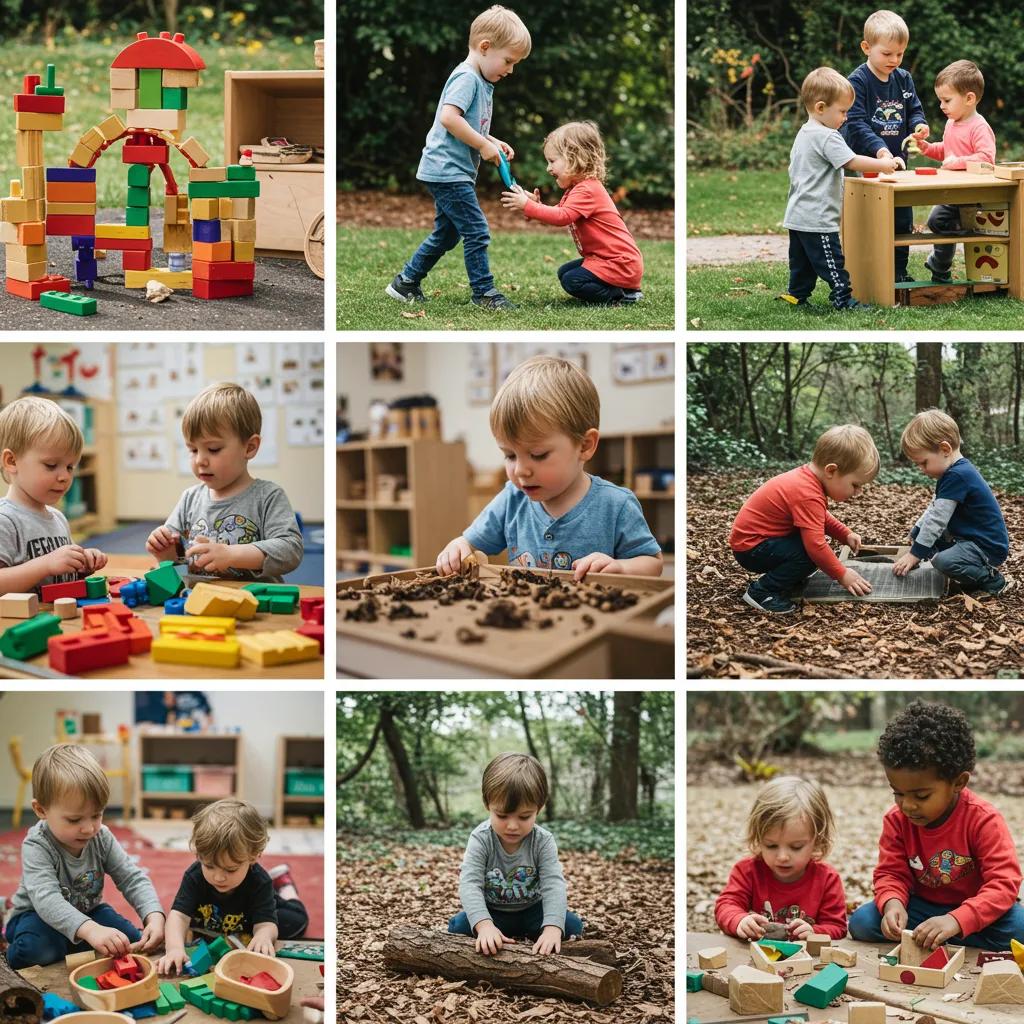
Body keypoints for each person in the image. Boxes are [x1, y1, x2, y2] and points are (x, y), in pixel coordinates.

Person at [435, 356, 662, 580]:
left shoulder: (617, 504)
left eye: (538, 455)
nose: (521, 470)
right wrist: (458, 547)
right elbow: (469, 542)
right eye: (510, 455)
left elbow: (652, 563)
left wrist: (620, 567)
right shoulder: (512, 499)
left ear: (585, 446)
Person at [385, 5, 531, 311]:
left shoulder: (480, 81)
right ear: (485, 47)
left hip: (451, 170)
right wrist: (481, 145)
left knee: (447, 234)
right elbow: (449, 119)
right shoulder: (467, 78)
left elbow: (468, 123)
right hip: (447, 170)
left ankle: (405, 282)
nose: (511, 70)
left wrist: (491, 140)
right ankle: (484, 292)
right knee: (477, 231)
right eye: (508, 61)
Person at [848, 701, 1024, 950]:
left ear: (958, 782)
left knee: (1020, 929)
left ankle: (948, 934)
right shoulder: (896, 820)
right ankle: (935, 935)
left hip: (976, 909)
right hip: (922, 908)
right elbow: (891, 873)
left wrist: (956, 920)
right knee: (863, 922)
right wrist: (893, 904)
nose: (907, 805)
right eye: (897, 793)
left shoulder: (983, 819)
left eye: (921, 796)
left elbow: (1003, 884)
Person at [5, 744, 165, 969]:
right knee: (37, 950)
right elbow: (47, 900)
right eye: (74, 820)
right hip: (36, 916)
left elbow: (131, 878)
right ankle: (18, 946)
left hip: (86, 910)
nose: (89, 828)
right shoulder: (37, 845)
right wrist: (91, 930)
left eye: (97, 815)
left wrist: (154, 915)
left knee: (127, 939)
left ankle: (72, 942)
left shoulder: (102, 837)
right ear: (41, 810)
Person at [146, 383, 302, 583]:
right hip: (200, 601)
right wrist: (164, 554)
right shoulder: (189, 499)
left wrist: (232, 555)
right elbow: (176, 567)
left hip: (255, 603)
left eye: (213, 449)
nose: (200, 460)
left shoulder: (268, 496)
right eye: (193, 450)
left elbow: (291, 550)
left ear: (250, 447)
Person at [781, 67, 901, 309]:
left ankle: (797, 294)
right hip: (817, 217)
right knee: (831, 261)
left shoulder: (804, 133)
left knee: (802, 262)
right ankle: (843, 298)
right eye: (843, 111)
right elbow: (851, 160)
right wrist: (885, 165)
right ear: (821, 108)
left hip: (796, 215)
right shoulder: (827, 136)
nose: (845, 118)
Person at [729, 424, 878, 614]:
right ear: (831, 471)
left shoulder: (807, 480)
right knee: (810, 554)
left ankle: (789, 576)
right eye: (855, 485)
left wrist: (844, 533)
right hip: (753, 549)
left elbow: (820, 517)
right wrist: (843, 575)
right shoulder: (807, 493)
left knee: (812, 553)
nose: (858, 492)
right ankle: (762, 591)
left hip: (759, 542)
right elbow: (815, 546)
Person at [448, 753, 582, 955]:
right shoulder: (481, 838)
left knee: (571, 925)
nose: (512, 826)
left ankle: (541, 932)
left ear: (539, 808)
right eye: (501, 815)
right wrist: (484, 926)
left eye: (524, 816)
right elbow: (470, 883)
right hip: (493, 912)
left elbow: (553, 884)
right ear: (487, 805)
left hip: (533, 911)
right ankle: (493, 932)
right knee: (458, 926)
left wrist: (553, 928)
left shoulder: (542, 840)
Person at [156, 798, 308, 973]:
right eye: (209, 866)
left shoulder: (260, 881)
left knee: (295, 924)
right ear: (199, 855)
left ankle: (285, 886)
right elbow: (178, 916)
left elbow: (266, 924)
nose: (218, 877)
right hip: (222, 922)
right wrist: (174, 949)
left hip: (263, 910)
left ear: (254, 857)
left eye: (230, 869)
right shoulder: (195, 875)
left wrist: (263, 937)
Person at [500, 121, 643, 304]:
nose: (548, 168)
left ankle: (621, 295)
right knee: (564, 272)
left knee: (572, 280)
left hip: (620, 263)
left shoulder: (588, 190)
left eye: (552, 161)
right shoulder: (577, 189)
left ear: (575, 158)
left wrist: (528, 205)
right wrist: (536, 205)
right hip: (607, 260)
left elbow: (561, 217)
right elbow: (559, 213)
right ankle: (623, 288)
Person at [842, 9, 929, 283]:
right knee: (869, 223)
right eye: (887, 53)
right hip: (865, 166)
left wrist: (919, 125)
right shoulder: (857, 82)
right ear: (866, 48)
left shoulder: (903, 79)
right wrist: (880, 150)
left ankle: (899, 272)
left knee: (902, 220)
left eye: (900, 54)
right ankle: (866, 274)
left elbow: (914, 108)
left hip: (897, 166)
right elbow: (855, 123)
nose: (894, 60)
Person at [892, 409, 1010, 595]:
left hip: (986, 547)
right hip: (968, 540)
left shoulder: (957, 476)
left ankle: (992, 580)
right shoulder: (953, 473)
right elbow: (934, 508)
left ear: (945, 449)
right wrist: (918, 531)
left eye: (923, 463)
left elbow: (938, 519)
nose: (921, 469)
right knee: (927, 542)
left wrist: (915, 554)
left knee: (943, 561)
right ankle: (971, 575)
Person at [715, 776, 848, 940]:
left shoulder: (827, 879)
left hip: (806, 960)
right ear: (758, 838)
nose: (782, 857)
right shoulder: (747, 871)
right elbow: (726, 905)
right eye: (771, 846)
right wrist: (739, 920)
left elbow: (837, 926)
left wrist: (815, 932)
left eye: (796, 847)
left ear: (817, 840)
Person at [0, 396, 108, 595]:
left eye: (69, 467)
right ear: (11, 461)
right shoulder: (5, 520)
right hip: (23, 624)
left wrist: (83, 561)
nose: (65, 477)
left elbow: (61, 572)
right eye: (51, 465)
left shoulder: (57, 517)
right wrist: (46, 564)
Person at [915, 61, 997, 282]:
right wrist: (928, 148)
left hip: (974, 195)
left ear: (969, 99)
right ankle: (940, 266)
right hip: (953, 193)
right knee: (938, 222)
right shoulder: (952, 123)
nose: (942, 105)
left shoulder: (979, 127)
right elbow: (946, 150)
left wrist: (958, 162)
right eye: (940, 100)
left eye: (947, 100)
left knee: (938, 221)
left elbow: (987, 158)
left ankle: (943, 262)